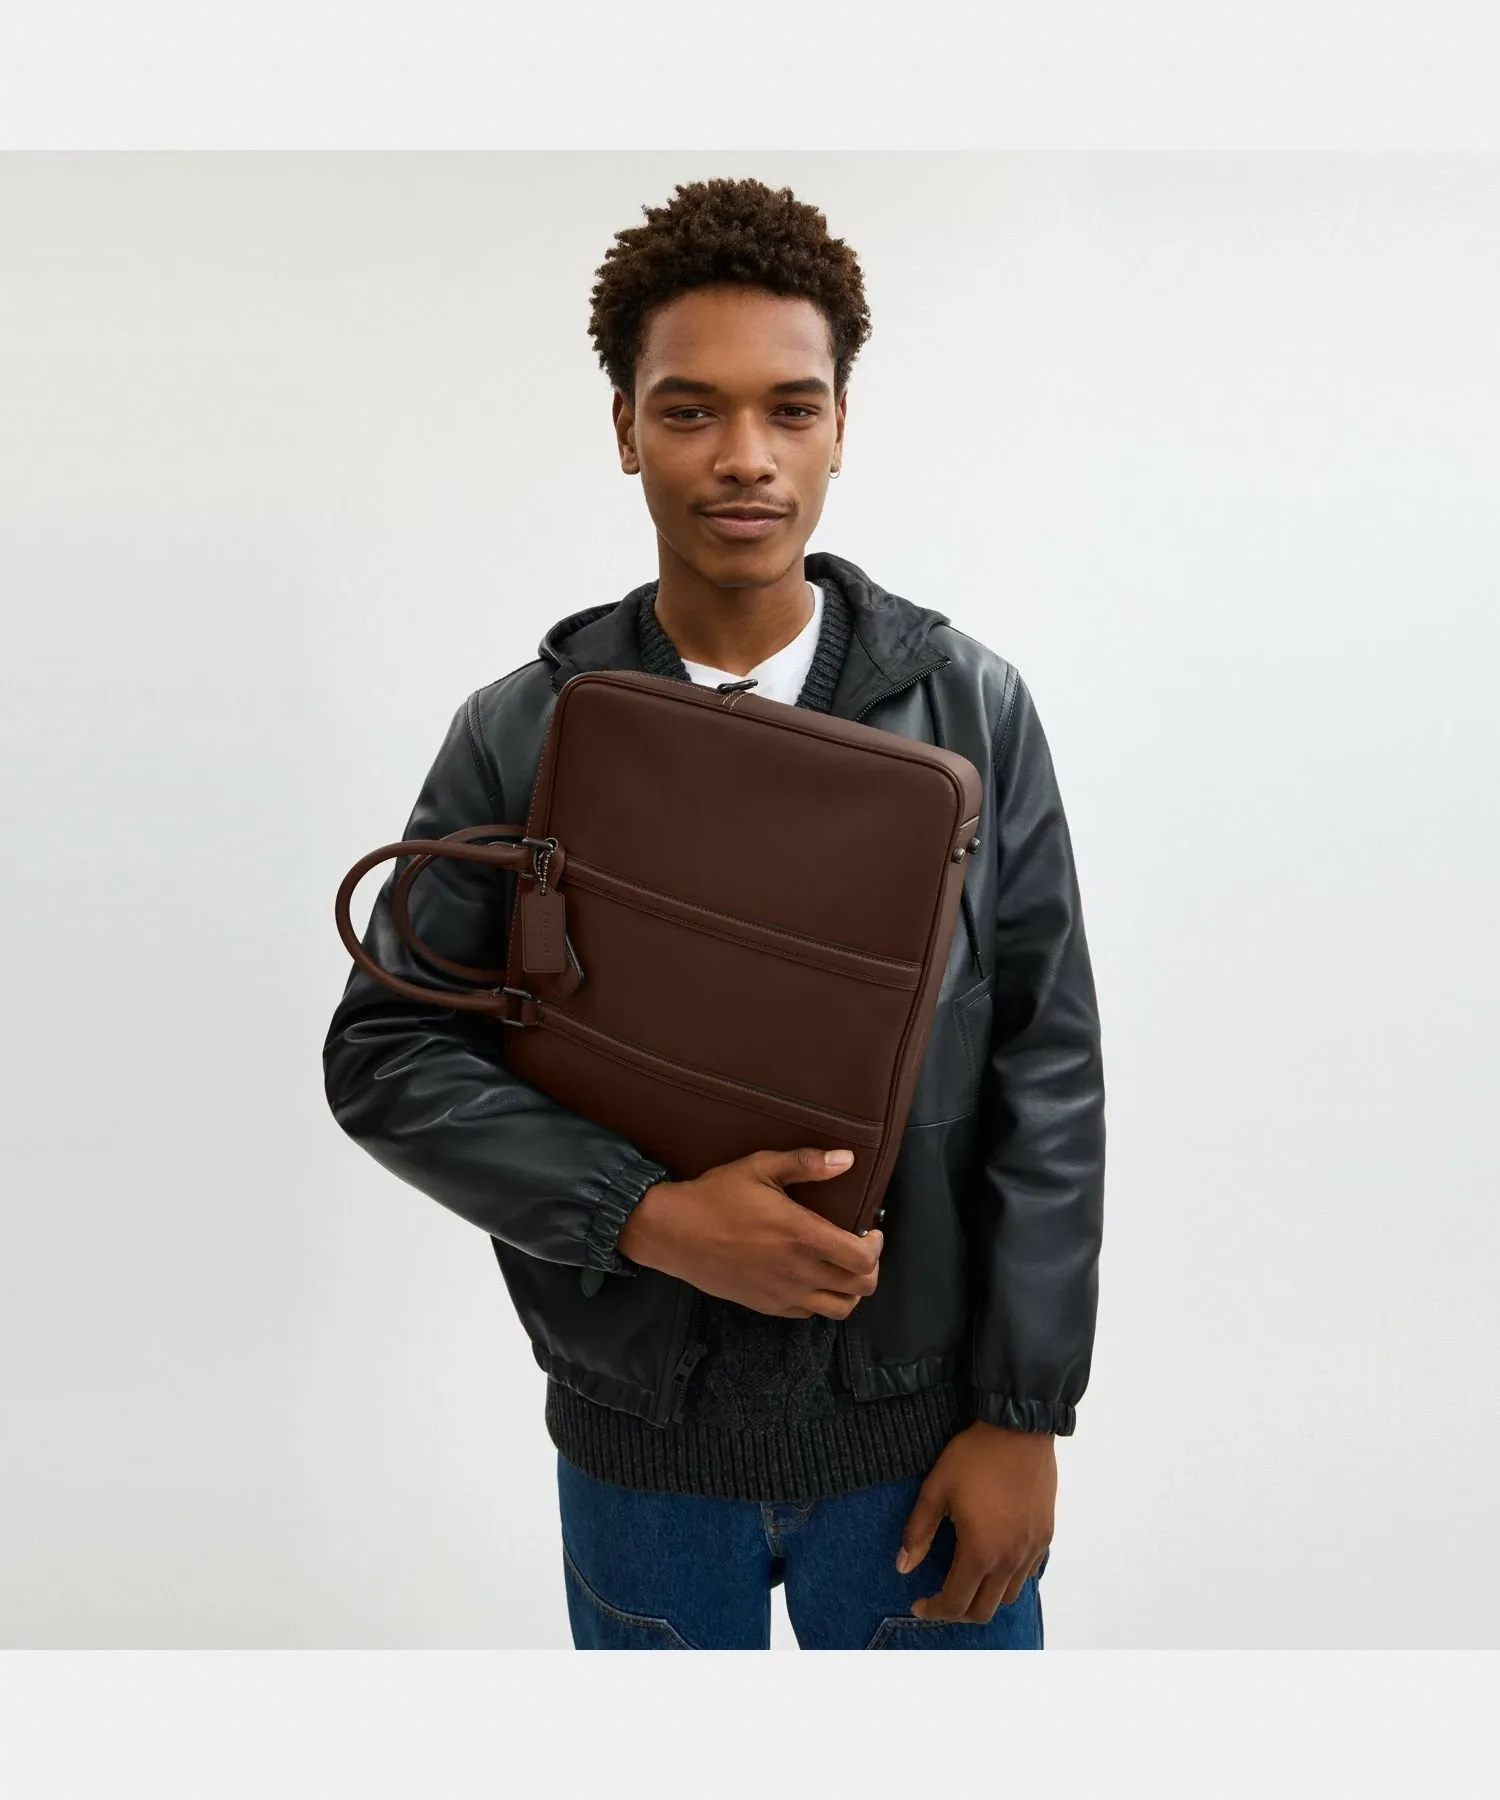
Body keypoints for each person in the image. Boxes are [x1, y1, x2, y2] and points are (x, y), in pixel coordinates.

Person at [322, 176, 1106, 1650]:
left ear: (840, 425)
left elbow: (1045, 1067)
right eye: (691, 411)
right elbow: (386, 1058)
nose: (746, 458)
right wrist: (650, 1219)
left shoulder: (973, 706)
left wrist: (1025, 1415)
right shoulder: (521, 730)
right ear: (625, 426)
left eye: (790, 410)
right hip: (641, 1462)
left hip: (925, 1453)